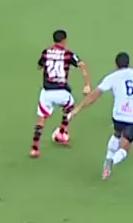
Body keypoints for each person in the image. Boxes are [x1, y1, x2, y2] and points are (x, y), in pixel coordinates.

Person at [72, 52, 133, 179]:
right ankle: (111, 161)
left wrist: (79, 107)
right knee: (125, 146)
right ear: (128, 63)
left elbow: (95, 94)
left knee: (117, 134)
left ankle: (107, 160)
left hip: (119, 115)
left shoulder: (112, 77)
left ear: (116, 64)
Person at [31, 30, 90, 158]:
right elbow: (82, 65)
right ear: (64, 40)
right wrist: (87, 84)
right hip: (62, 92)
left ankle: (34, 148)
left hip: (47, 92)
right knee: (69, 107)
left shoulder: (46, 52)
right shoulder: (68, 54)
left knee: (41, 119)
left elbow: (39, 66)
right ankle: (61, 132)